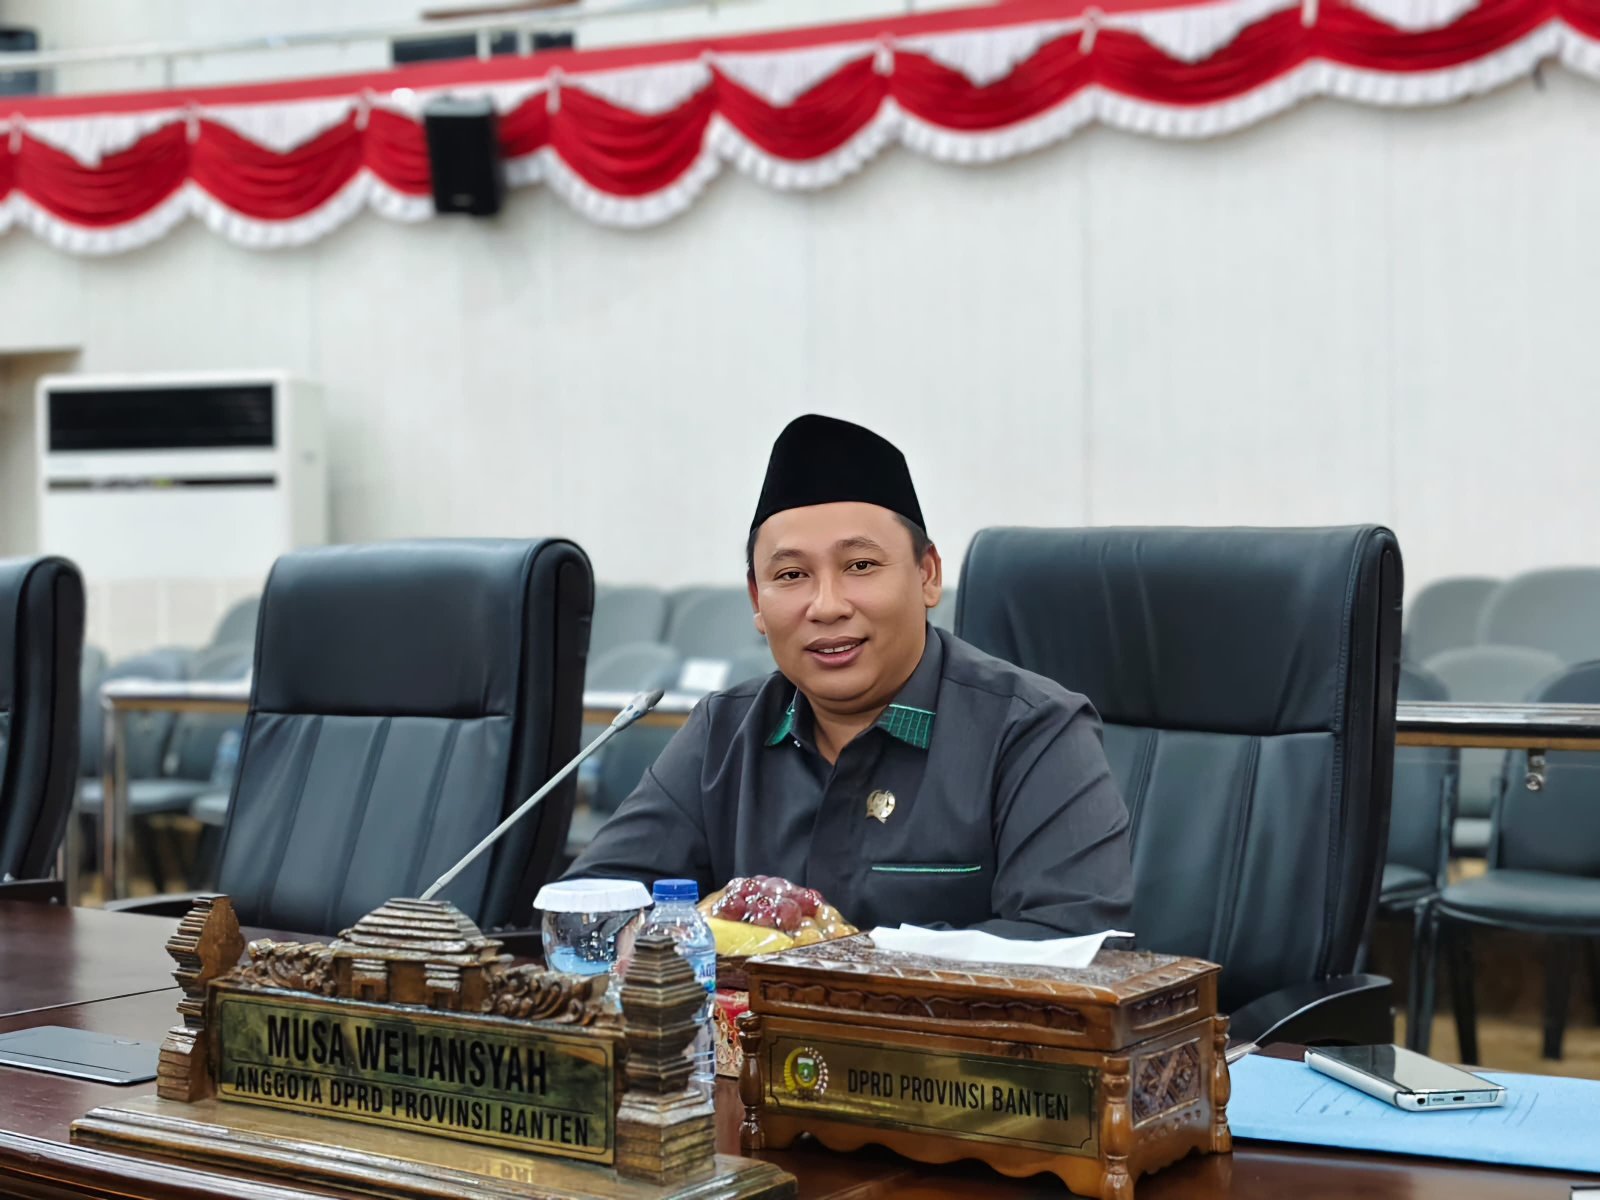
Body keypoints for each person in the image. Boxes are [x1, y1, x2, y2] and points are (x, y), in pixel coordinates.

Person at [567, 414, 1132, 937]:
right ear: (758, 603)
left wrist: (829, 954)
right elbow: (586, 911)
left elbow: (1067, 944)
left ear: (928, 575)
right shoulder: (722, 735)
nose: (827, 605)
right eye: (791, 574)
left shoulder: (1032, 732)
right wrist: (691, 930)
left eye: (860, 566)